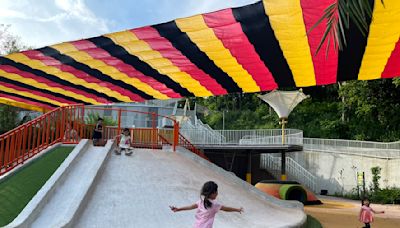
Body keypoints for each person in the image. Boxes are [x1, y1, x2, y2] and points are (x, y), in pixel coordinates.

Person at [169, 181, 243, 228]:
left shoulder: (201, 201)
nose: (217, 193)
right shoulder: (215, 204)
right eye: (216, 192)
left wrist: (178, 209)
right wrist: (237, 209)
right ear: (212, 193)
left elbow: (190, 207)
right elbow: (226, 209)